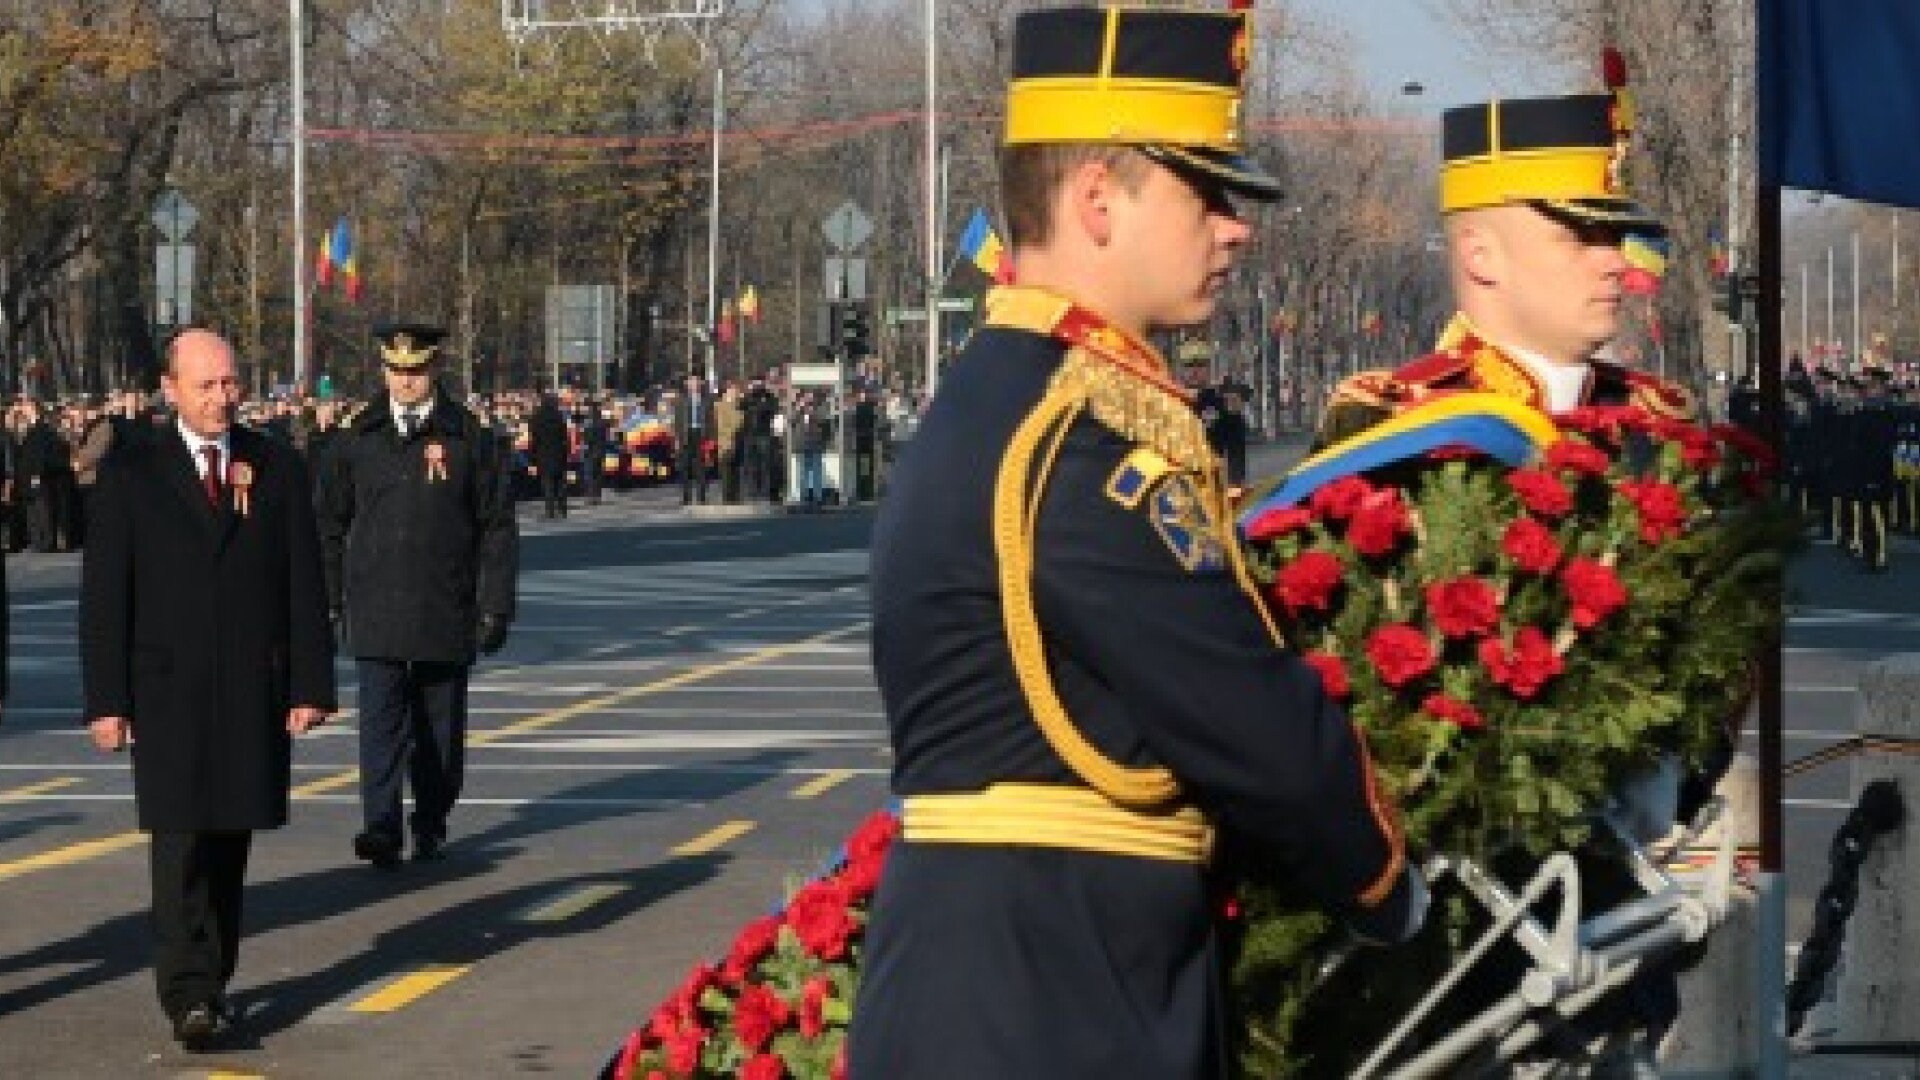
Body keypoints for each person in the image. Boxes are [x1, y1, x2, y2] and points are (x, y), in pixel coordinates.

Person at [847, 8, 1423, 1076]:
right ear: (1098, 200)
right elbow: (1244, 714)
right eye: (1205, 192)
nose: (1236, 229)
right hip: (1057, 998)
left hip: (994, 979)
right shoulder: (1083, 438)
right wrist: (1387, 887)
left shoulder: (1000, 396)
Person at [80, 328, 335, 1049]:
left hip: (252, 685)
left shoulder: (275, 465)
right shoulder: (132, 473)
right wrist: (106, 701)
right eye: (206, 386)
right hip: (167, 689)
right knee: (180, 841)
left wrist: (310, 683)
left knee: (230, 839)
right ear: (170, 391)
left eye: (230, 383)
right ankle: (188, 992)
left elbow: (303, 580)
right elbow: (105, 597)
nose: (223, 398)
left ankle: (213, 977)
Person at [1319, 91, 1693, 444]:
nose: (1618, 263)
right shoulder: (1393, 423)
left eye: (1615, 239)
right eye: (1581, 238)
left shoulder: (1654, 421)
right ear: (1480, 256)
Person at [317, 323, 519, 869]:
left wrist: (496, 605)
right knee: (379, 724)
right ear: (383, 370)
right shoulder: (358, 436)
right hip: (376, 604)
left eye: (416, 370)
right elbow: (328, 524)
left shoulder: (467, 437)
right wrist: (329, 598)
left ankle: (430, 818)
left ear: (435, 369)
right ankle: (380, 825)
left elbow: (496, 527)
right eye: (396, 370)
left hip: (443, 603)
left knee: (438, 732)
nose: (406, 381)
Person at [672, 373, 715, 504]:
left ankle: (702, 497)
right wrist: (677, 439)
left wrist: (711, 438)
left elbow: (711, 421)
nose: (694, 384)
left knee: (701, 467)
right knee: (685, 467)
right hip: (686, 434)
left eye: (696, 382)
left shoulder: (707, 400)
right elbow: (677, 421)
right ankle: (686, 497)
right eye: (691, 382)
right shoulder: (681, 400)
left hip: (701, 434)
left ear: (700, 383)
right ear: (687, 384)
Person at [527, 391, 571, 519]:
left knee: (548, 483)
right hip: (559, 453)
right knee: (560, 482)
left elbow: (534, 440)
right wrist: (566, 453)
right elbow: (564, 437)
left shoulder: (536, 417)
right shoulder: (559, 416)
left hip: (543, 454)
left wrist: (532, 459)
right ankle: (562, 509)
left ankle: (550, 510)